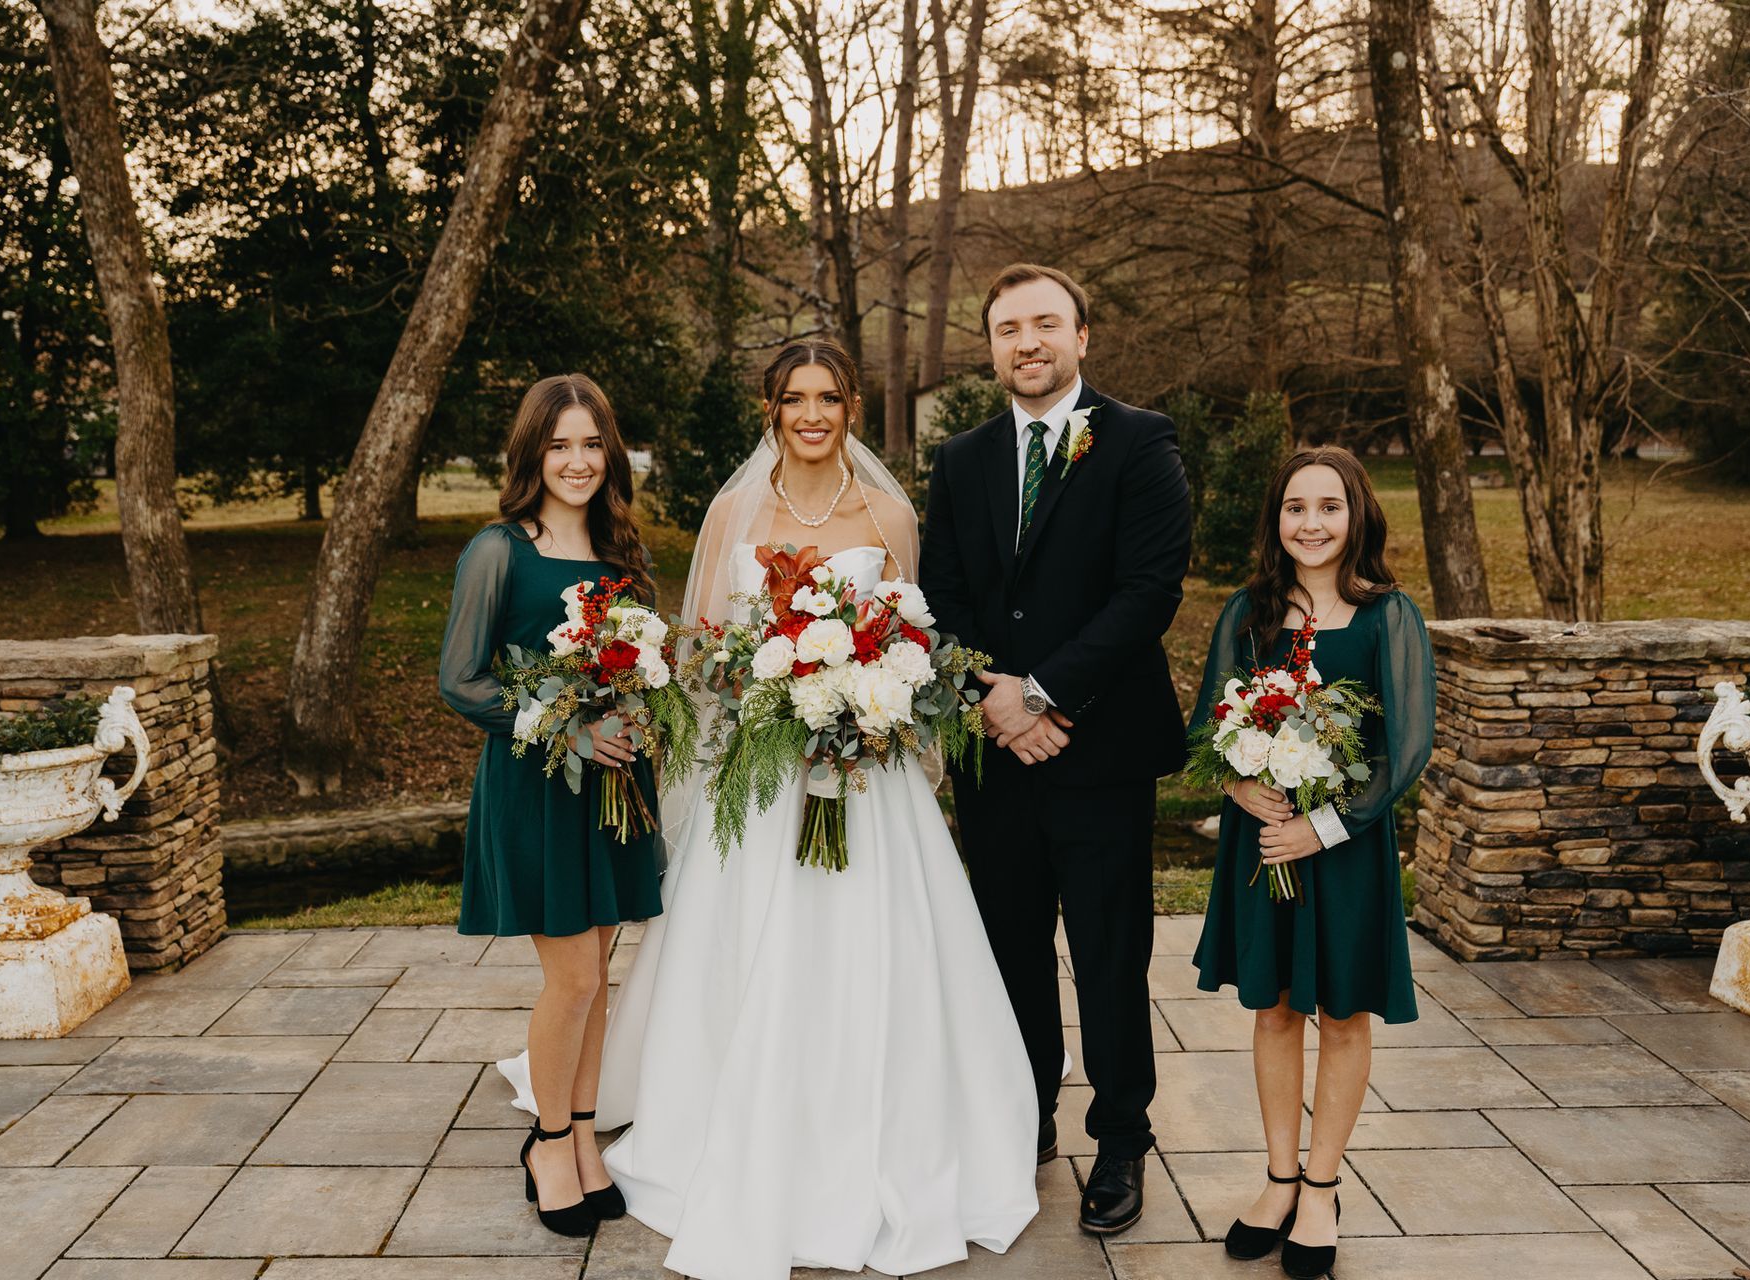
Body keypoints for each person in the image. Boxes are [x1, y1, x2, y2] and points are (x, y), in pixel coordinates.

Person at [549, 337, 1039, 1280]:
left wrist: (873, 701)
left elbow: (918, 635)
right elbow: (700, 651)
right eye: (794, 399)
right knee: (749, 944)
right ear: (770, 409)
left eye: (829, 397)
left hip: (869, 773)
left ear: (851, 406)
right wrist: (763, 696)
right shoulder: (736, 509)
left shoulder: (888, 511)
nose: (812, 414)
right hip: (765, 774)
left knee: (880, 946)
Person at [919, 262, 1192, 1236]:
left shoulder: (1138, 441)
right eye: (1006, 328)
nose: (1026, 342)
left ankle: (1121, 1137)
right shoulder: (960, 460)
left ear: (1084, 336)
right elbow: (939, 597)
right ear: (990, 346)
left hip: (1101, 748)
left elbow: (1149, 589)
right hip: (994, 753)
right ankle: (1023, 1111)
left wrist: (1041, 691)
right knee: (1011, 952)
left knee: (1110, 953)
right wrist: (989, 698)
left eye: (1045, 324)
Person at [1191, 445, 1434, 1280]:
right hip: (1264, 849)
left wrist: (1326, 827)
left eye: (1329, 507)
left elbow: (1405, 746)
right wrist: (1237, 783)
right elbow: (1208, 723)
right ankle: (1278, 1179)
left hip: (1345, 852)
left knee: (1343, 1014)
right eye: (1296, 507)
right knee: (1275, 1011)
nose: (1312, 523)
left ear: (1357, 514)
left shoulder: (1387, 615)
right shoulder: (1247, 614)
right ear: (1278, 520)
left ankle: (1323, 1189)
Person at [438, 374, 663, 1238]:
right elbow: (461, 681)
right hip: (539, 785)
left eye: (591, 443)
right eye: (558, 445)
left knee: (596, 981)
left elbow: (645, 664)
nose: (576, 461)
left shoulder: (622, 553)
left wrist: (643, 712)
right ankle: (547, 1141)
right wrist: (565, 733)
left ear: (610, 452)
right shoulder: (499, 549)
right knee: (570, 981)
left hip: (615, 789)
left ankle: (582, 1135)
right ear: (532, 453)